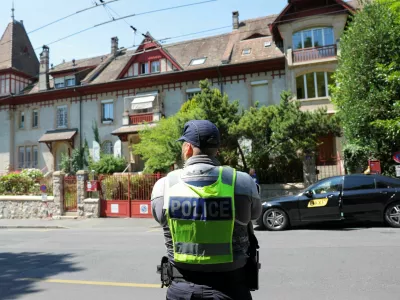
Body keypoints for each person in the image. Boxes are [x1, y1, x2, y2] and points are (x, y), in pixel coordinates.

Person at [151, 120, 262, 300]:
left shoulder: (164, 186)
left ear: (187, 148)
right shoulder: (242, 182)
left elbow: (159, 217)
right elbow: (255, 215)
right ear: (216, 150)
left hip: (182, 289)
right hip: (231, 289)